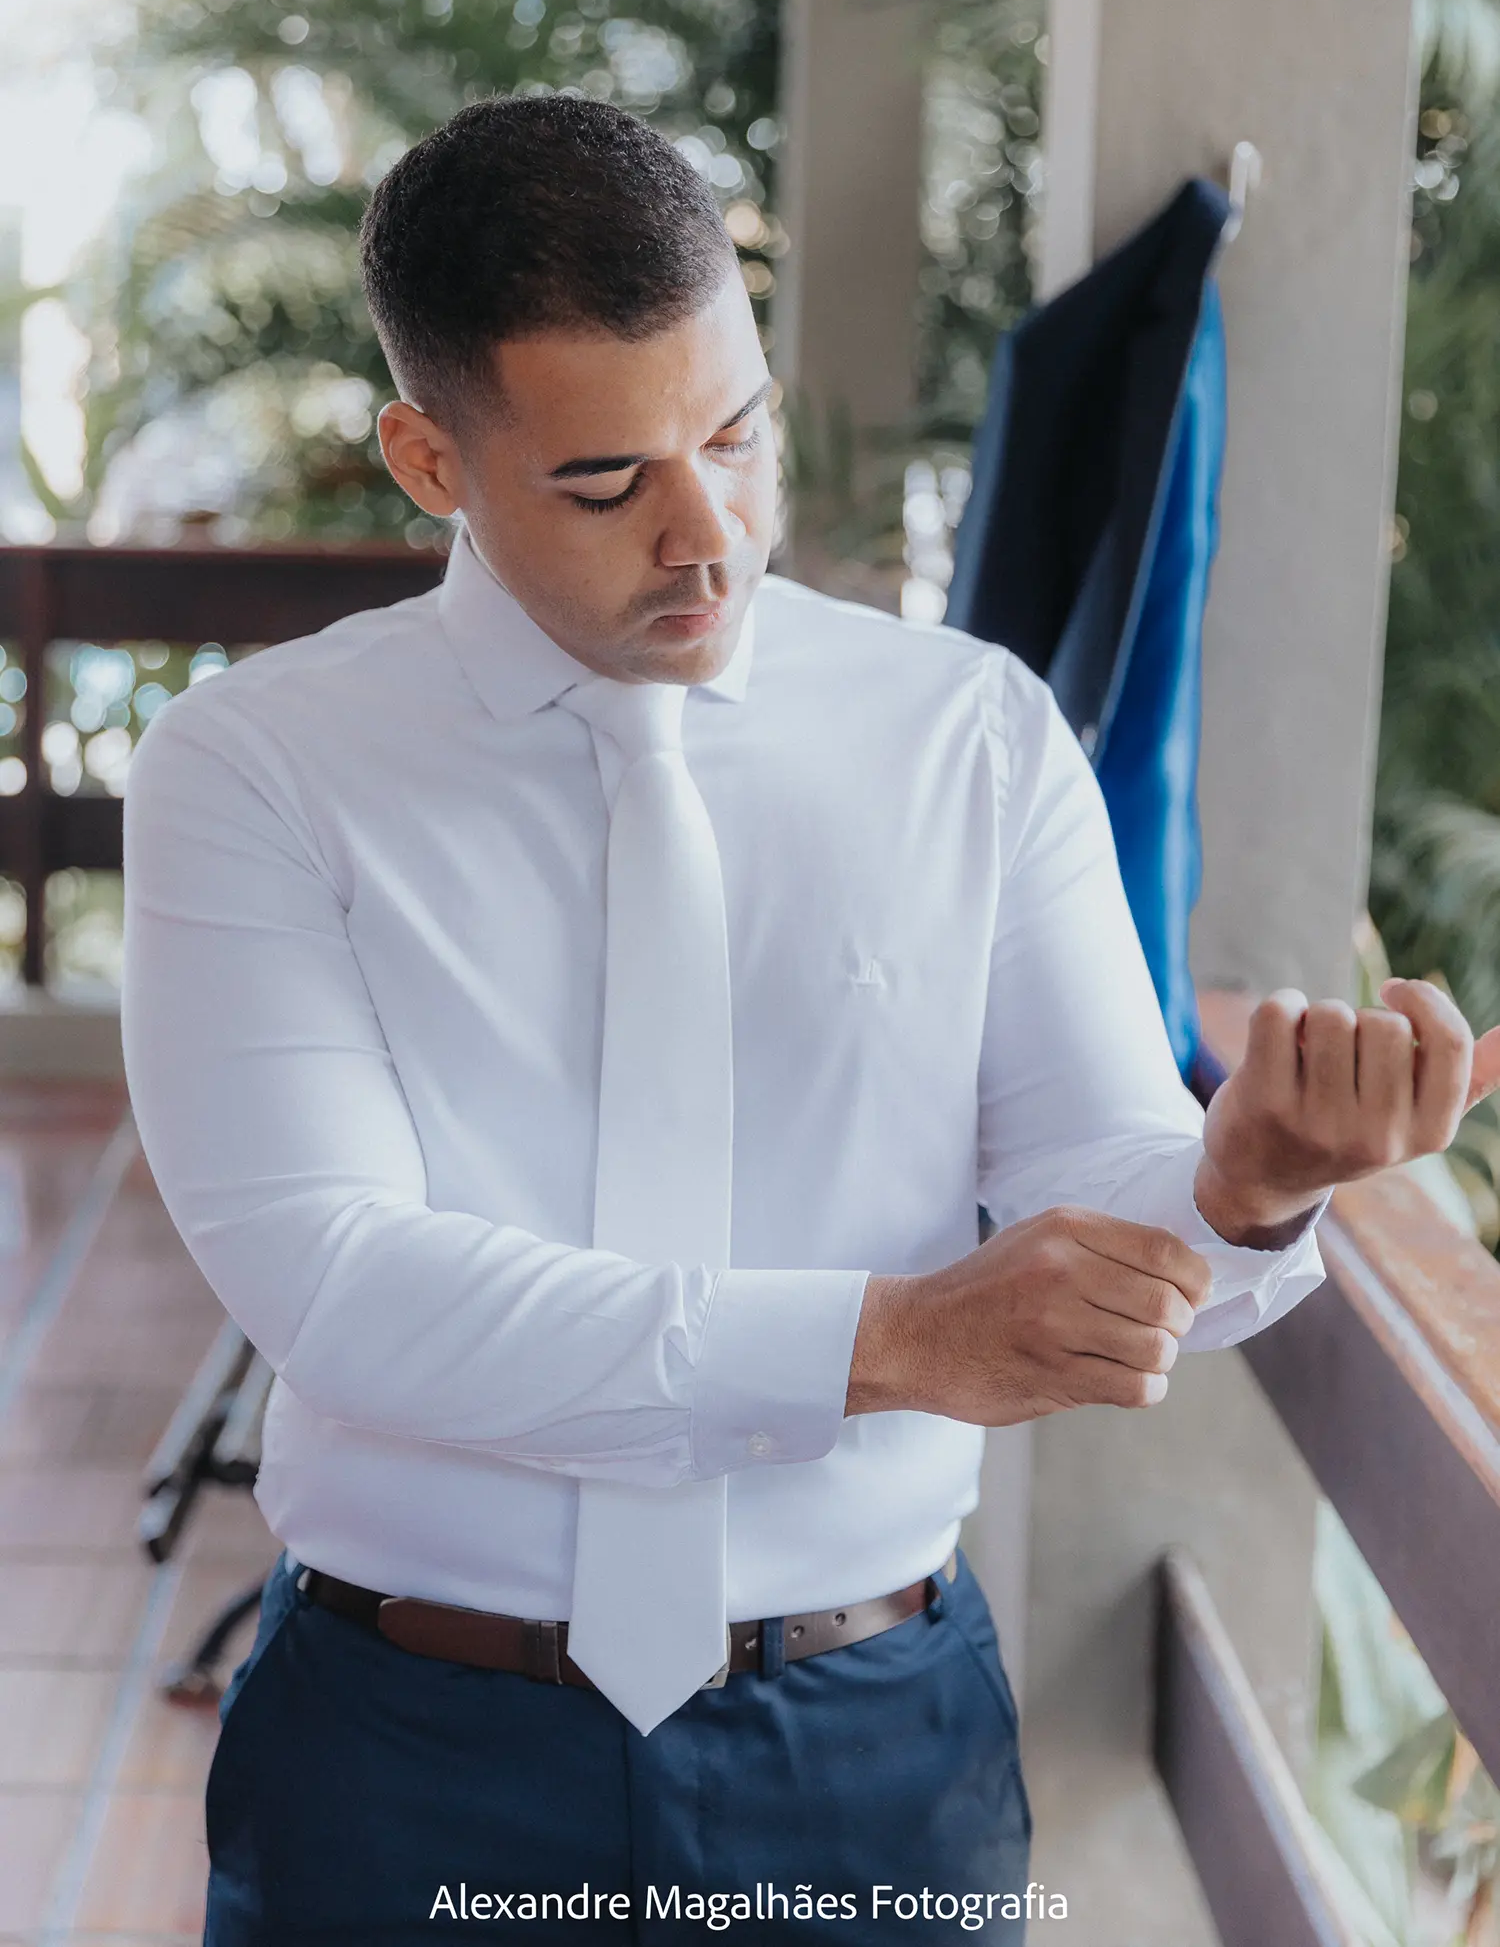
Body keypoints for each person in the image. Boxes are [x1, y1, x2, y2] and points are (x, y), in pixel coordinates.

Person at [120, 96, 1500, 1947]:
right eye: (606, 483)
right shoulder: (254, 769)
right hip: (408, 1750)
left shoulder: (970, 735)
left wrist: (1244, 1185)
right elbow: (345, 1287)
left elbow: (1099, 1191)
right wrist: (889, 1339)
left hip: (870, 1744)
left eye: (736, 434)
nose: (707, 536)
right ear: (429, 458)